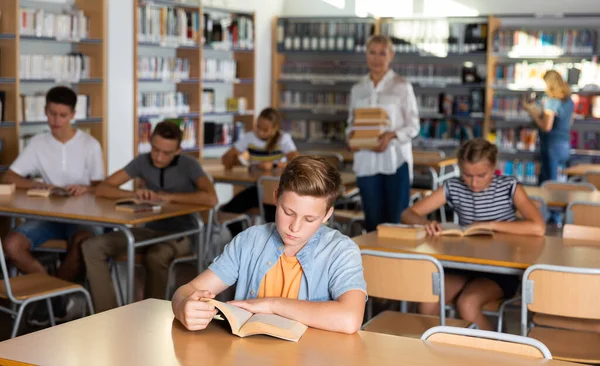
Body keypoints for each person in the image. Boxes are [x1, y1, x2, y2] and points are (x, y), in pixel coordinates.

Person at [171, 156, 366, 334]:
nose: (295, 227)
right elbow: (187, 290)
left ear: (327, 215)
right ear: (275, 198)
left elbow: (350, 319)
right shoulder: (250, 240)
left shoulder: (342, 251)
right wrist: (182, 307)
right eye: (288, 212)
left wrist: (272, 305)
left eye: (309, 219)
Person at [400, 139, 545, 330]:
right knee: (427, 303)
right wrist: (427, 224)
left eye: (481, 175)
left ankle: (493, 355)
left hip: (499, 270)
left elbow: (538, 227)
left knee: (467, 304)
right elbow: (407, 214)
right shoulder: (454, 187)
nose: (473, 183)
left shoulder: (510, 187)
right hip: (463, 264)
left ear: (493, 167)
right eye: (467, 175)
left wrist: (491, 225)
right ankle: (437, 353)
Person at [81, 121, 218, 313]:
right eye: (155, 149)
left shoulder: (190, 165)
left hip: (184, 232)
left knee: (156, 256)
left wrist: (167, 197)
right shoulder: (142, 161)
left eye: (166, 153)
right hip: (148, 228)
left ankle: (151, 315)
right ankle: (107, 314)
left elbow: (211, 198)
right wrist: (134, 195)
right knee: (92, 246)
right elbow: (103, 189)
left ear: (178, 151)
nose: (159, 157)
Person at [2, 86, 105, 324]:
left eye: (62, 115)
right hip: (48, 216)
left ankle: (49, 297)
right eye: (51, 113)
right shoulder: (38, 143)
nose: (55, 120)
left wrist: (86, 188)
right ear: (45, 111)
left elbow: (101, 186)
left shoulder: (90, 144)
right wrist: (44, 187)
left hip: (83, 216)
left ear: (72, 115)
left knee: (84, 241)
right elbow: (11, 177)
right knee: (12, 244)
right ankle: (56, 296)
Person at [347, 35, 420, 232]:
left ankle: (396, 263)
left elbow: (413, 125)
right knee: (373, 223)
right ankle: (374, 262)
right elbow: (351, 124)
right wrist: (352, 137)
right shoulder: (358, 89)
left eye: (382, 53)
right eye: (372, 52)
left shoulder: (402, 86)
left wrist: (391, 135)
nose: (376, 58)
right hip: (366, 164)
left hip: (395, 162)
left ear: (391, 55)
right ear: (366, 54)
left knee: (396, 223)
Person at [220, 107, 299, 236]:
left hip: (278, 191)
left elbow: (296, 161)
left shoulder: (283, 139)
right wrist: (236, 161)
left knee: (273, 219)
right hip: (257, 188)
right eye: (258, 127)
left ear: (275, 129)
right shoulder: (249, 137)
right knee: (228, 210)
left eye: (265, 130)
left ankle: (276, 247)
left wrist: (274, 165)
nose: (260, 132)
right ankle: (242, 241)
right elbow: (227, 156)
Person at [523, 70, 574, 185]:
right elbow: (570, 121)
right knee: (561, 180)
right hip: (565, 144)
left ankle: (547, 203)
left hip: (552, 145)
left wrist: (534, 114)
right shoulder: (569, 100)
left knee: (549, 182)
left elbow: (546, 127)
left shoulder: (552, 101)